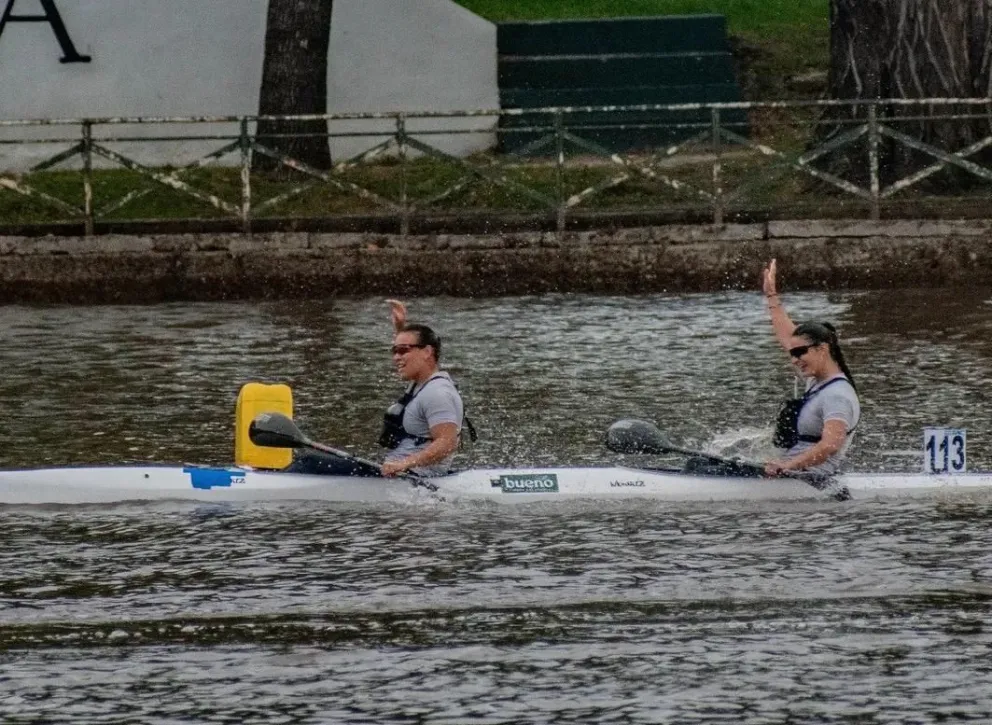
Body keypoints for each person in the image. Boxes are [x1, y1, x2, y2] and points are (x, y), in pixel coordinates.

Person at [761, 259, 861, 477]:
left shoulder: (837, 396)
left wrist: (787, 466)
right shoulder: (818, 381)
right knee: (699, 466)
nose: (794, 360)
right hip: (792, 473)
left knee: (703, 469)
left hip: (810, 478)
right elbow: (789, 339)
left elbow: (830, 445)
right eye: (792, 355)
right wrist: (771, 296)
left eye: (800, 354)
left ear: (822, 349)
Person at [379, 299, 466, 477]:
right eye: (394, 351)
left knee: (312, 463)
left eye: (402, 351)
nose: (396, 357)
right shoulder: (421, 384)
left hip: (417, 477)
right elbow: (412, 351)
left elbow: (447, 443)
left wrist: (402, 464)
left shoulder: (438, 393)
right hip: (402, 472)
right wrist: (401, 328)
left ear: (427, 352)